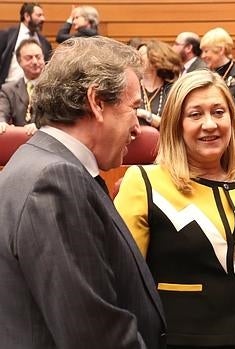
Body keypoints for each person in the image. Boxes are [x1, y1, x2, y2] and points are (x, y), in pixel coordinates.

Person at [0, 36, 166, 348]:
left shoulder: (35, 160)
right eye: (133, 108)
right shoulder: (56, 181)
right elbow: (93, 335)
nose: (137, 128)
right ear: (97, 102)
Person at [114, 69, 235, 349]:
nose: (210, 124)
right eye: (195, 114)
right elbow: (123, 282)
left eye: (219, 112)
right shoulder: (144, 184)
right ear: (175, 124)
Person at [0, 2, 52, 85]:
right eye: (39, 15)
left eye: (43, 15)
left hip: (35, 90)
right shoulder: (6, 35)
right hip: (9, 89)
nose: (43, 19)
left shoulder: (44, 42)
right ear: (27, 16)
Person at [0, 38, 44, 135]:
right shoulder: (8, 90)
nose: (35, 62)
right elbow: (1, 112)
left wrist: (38, 124)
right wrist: (1, 122)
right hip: (17, 144)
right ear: (19, 62)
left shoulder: (54, 88)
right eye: (29, 58)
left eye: (38, 57)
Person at [137, 39, 183, 128]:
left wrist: (146, 115)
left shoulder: (173, 90)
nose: (137, 58)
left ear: (155, 59)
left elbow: (176, 126)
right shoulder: (132, 86)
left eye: (142, 54)